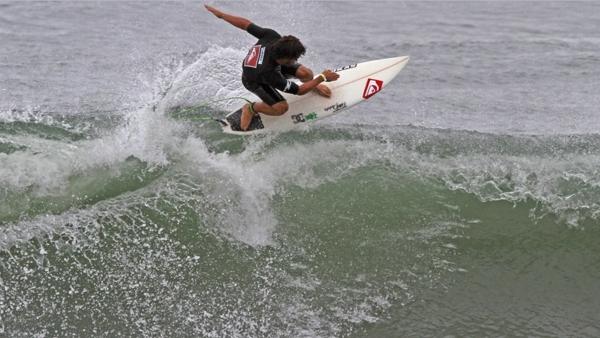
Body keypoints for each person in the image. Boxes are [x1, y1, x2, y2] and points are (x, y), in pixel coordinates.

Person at [204, 5, 340, 131]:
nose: (296, 61)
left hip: (270, 65)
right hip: (255, 81)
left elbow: (245, 25)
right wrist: (322, 77)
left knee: (305, 73)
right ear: (284, 58)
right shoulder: (269, 73)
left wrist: (222, 15)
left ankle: (314, 86)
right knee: (281, 108)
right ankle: (251, 108)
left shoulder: (272, 36)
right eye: (294, 59)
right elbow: (298, 91)